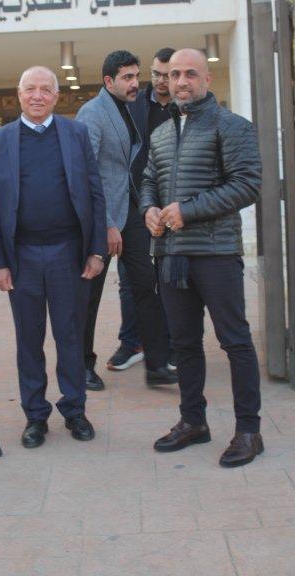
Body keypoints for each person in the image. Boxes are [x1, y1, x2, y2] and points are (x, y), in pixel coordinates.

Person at [141, 48, 263, 467]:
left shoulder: (232, 126)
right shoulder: (161, 133)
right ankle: (193, 422)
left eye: (190, 74)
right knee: (184, 345)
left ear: (207, 79)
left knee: (235, 342)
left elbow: (247, 184)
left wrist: (188, 210)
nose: (181, 81)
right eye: (174, 74)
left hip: (216, 253)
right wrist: (148, 209)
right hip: (171, 255)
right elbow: (149, 180)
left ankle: (249, 431)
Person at [0, 66, 106, 449]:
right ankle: (35, 416)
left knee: (70, 335)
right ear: (19, 94)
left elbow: (95, 194)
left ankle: (75, 410)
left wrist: (97, 250)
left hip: (68, 253)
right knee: (29, 339)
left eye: (45, 89)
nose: (37, 95)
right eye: (30, 89)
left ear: (56, 96)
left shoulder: (76, 134)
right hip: (21, 257)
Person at [76, 51, 177, 390]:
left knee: (145, 285)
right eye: (128, 78)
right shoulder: (92, 113)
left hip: (131, 211)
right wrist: (106, 223)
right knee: (90, 295)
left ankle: (157, 364)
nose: (136, 83)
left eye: (137, 76)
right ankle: (82, 366)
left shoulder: (129, 108)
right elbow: (85, 172)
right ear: (109, 81)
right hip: (101, 217)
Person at [108, 47, 176, 371]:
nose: (161, 81)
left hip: (175, 205)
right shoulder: (133, 103)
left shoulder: (185, 107)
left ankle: (169, 345)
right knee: (130, 279)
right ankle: (131, 342)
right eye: (156, 74)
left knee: (171, 278)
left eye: (167, 75)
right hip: (135, 204)